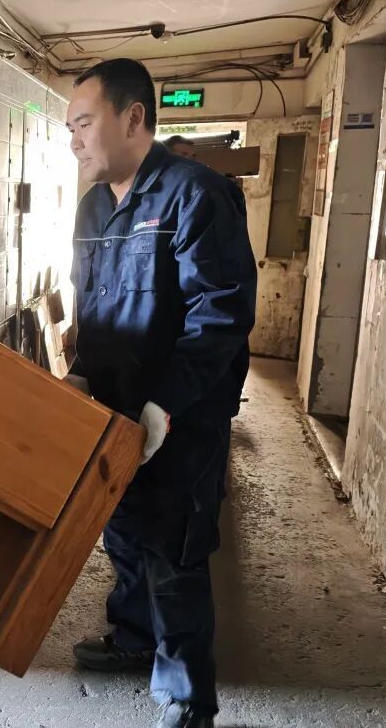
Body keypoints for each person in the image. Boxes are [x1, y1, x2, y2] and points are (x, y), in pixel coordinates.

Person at [64, 60, 256, 728]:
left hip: (182, 418)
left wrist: (164, 405)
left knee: (174, 551)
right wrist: (80, 373)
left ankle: (186, 696)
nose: (75, 141)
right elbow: (92, 307)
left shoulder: (195, 196)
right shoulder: (93, 206)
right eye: (69, 129)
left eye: (84, 123)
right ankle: (134, 637)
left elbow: (221, 314)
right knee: (121, 533)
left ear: (133, 118)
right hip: (114, 413)